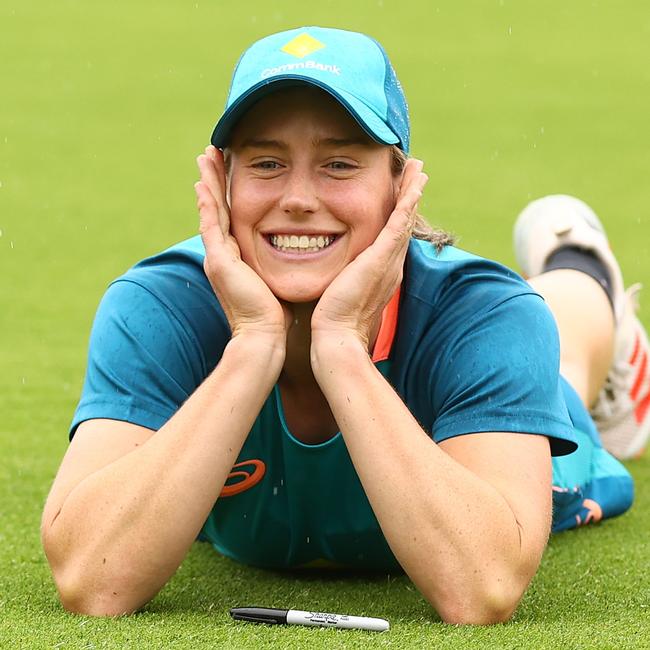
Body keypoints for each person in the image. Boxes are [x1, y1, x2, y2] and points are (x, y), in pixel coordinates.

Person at [40, 26, 649, 624]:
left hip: (518, 412)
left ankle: (581, 266)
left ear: (400, 183)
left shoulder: (487, 316)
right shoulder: (158, 306)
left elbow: (481, 587)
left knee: (567, 367)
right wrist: (254, 345)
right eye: (267, 162)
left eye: (338, 163)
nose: (299, 197)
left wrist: (340, 350)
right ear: (222, 183)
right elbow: (92, 579)